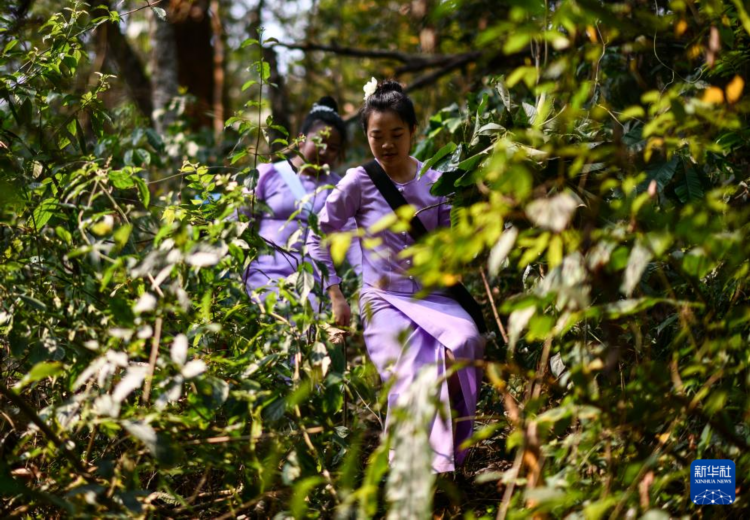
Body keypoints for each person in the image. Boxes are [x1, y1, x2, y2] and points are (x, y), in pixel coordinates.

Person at [307, 80, 484, 473]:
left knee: (466, 343)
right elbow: (319, 234)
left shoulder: (436, 182)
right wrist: (336, 294)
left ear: (413, 132)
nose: (387, 144)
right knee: (412, 373)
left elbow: (451, 245)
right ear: (366, 136)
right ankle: (413, 470)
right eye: (377, 136)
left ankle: (447, 453)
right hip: (382, 299)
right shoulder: (358, 181)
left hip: (433, 297)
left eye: (396, 134)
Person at [235, 96, 360, 309]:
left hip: (314, 289)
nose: (324, 151)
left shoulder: (339, 188)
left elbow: (353, 242)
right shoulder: (267, 174)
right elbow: (237, 224)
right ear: (301, 139)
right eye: (319, 142)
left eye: (333, 148)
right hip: (261, 281)